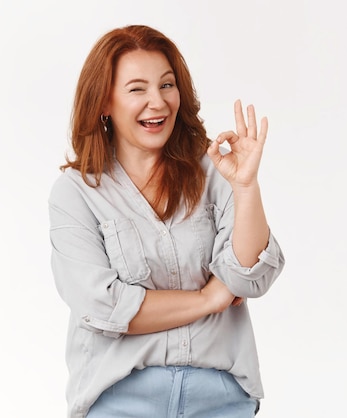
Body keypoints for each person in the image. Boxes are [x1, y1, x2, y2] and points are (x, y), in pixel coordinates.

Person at [48, 24, 285, 418]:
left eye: (167, 85)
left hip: (222, 399)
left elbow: (250, 278)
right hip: (119, 401)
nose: (157, 102)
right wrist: (210, 298)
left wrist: (245, 187)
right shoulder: (76, 192)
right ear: (104, 102)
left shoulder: (214, 172)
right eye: (137, 89)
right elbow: (107, 308)